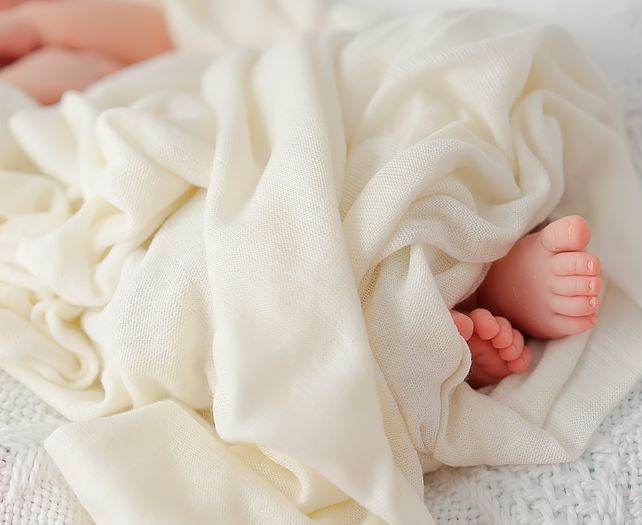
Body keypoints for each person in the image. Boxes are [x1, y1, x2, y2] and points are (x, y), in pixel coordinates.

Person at [0, 0, 602, 387]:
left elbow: (179, 25)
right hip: (92, 175)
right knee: (203, 270)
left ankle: (479, 260)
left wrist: (35, 28)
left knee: (350, 155)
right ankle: (419, 324)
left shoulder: (47, 24)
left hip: (200, 112)